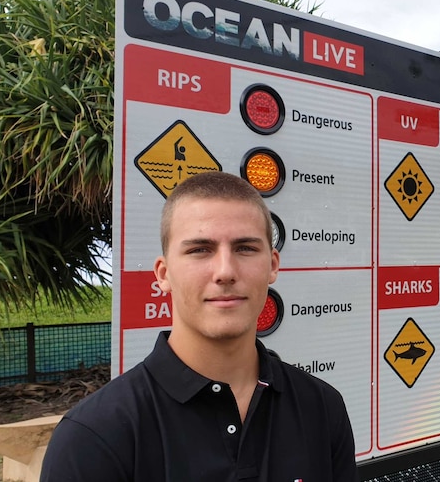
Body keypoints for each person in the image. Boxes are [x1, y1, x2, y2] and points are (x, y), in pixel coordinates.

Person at [41, 171, 358, 481]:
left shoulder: (322, 408)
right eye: (200, 250)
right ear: (163, 274)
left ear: (272, 265)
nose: (225, 271)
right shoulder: (93, 438)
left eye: (245, 248)